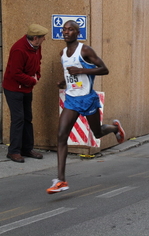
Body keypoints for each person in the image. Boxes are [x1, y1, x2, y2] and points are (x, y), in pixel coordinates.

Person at [46, 20, 126, 194]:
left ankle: (114, 128)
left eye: (70, 30)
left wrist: (82, 71)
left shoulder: (85, 50)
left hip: (88, 99)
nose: (66, 32)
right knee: (61, 135)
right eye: (64, 29)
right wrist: (64, 82)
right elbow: (71, 75)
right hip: (72, 99)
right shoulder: (63, 53)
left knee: (97, 132)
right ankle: (61, 180)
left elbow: (104, 69)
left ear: (77, 32)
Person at [3, 24, 49, 163]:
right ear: (35, 38)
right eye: (42, 37)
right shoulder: (19, 49)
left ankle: (27, 148)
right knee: (18, 119)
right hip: (14, 89)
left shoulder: (36, 47)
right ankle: (14, 151)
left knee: (27, 118)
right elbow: (15, 72)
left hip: (27, 87)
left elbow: (37, 62)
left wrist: (37, 76)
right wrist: (32, 80)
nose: (44, 39)